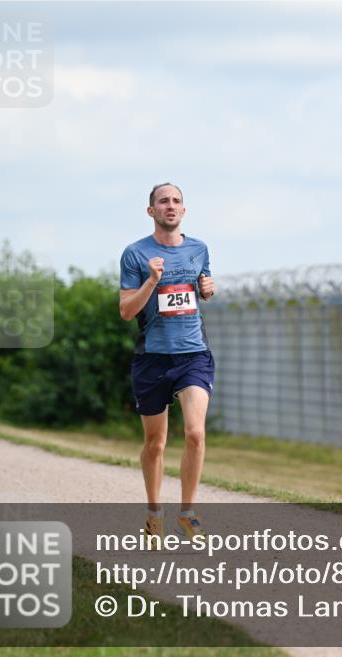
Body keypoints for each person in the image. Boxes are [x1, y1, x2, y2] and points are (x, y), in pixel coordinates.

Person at [119, 182, 216, 545]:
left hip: (193, 355)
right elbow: (127, 311)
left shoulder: (199, 249)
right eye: (163, 201)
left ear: (183, 210)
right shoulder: (135, 254)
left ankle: (188, 514)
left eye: (176, 201)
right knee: (156, 443)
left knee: (195, 433)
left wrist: (207, 289)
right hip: (152, 358)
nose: (170, 206)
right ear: (152, 212)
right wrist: (152, 281)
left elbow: (202, 287)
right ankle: (153, 513)